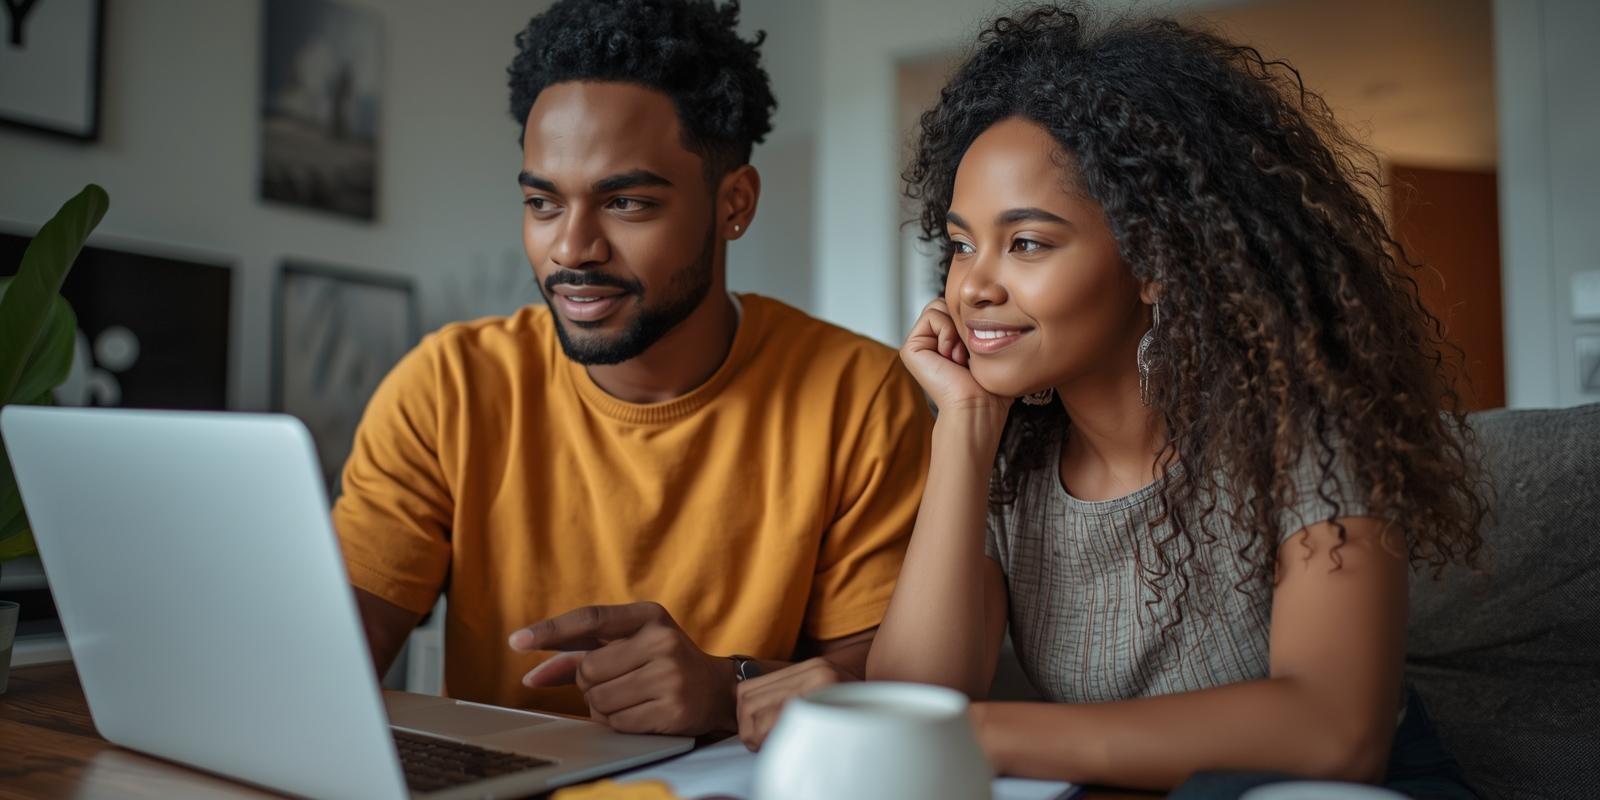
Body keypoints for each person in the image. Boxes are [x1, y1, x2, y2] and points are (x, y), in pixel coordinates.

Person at [866, 6, 1486, 797]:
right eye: (962, 244)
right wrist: (964, 424)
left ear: (1156, 262)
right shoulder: (1007, 460)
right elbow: (907, 712)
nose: (973, 287)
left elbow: (1335, 733)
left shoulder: (1306, 438)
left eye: (1026, 243)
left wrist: (983, 734)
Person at [333, 0, 932, 745]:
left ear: (734, 203)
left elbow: (889, 684)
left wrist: (727, 688)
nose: (571, 249)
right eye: (542, 203)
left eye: (626, 202)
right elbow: (331, 652)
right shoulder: (447, 386)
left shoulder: (858, 396)